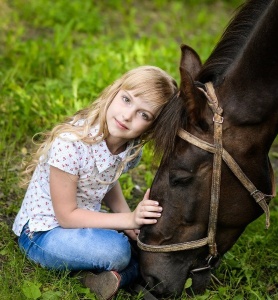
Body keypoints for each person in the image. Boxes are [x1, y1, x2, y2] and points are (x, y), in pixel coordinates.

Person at [12, 66, 178, 300]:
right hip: (43, 234)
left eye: (144, 115)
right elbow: (66, 216)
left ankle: (107, 278)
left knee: (143, 242)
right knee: (118, 251)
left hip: (81, 225)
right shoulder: (70, 144)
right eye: (126, 99)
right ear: (114, 92)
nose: (127, 115)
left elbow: (107, 180)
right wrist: (127, 219)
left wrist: (128, 221)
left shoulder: (130, 150)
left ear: (152, 127)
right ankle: (123, 276)